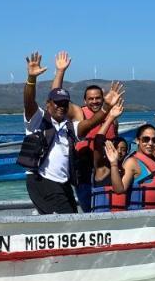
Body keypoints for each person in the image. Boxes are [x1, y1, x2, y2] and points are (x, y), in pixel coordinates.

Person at [20, 51, 119, 214]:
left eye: (65, 103)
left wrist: (106, 108)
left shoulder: (70, 127)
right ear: (48, 104)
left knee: (73, 217)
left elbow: (91, 122)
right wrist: (31, 79)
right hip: (41, 180)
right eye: (57, 103)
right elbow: (28, 101)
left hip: (63, 183)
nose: (61, 106)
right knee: (66, 221)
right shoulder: (38, 120)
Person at [51, 51, 119, 211]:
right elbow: (55, 96)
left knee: (109, 207)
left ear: (103, 99)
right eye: (91, 98)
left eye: (98, 98)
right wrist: (61, 71)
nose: (95, 101)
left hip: (108, 169)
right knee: (88, 208)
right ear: (84, 100)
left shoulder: (112, 117)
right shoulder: (78, 113)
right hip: (85, 171)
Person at [89, 135, 130, 213]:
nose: (119, 151)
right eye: (116, 148)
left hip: (121, 215)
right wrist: (108, 121)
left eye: (123, 149)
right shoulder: (102, 168)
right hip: (100, 215)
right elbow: (97, 140)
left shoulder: (126, 170)